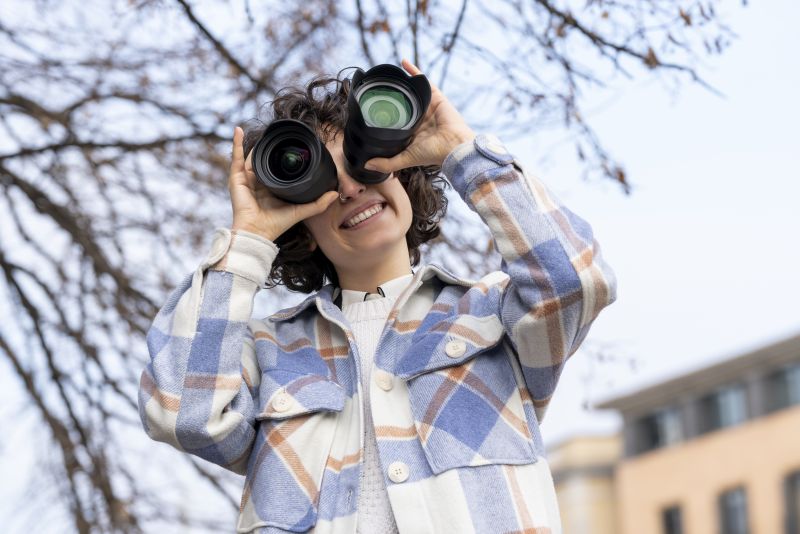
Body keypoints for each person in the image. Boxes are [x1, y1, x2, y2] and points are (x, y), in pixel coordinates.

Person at [138, 59, 617, 534]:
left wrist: (461, 152)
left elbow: (576, 281)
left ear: (402, 174)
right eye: (322, 184)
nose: (348, 188)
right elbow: (182, 411)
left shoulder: (492, 316)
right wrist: (248, 239)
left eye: (362, 165)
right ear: (301, 230)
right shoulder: (267, 353)